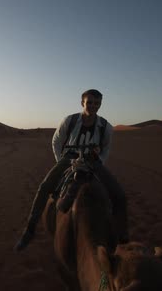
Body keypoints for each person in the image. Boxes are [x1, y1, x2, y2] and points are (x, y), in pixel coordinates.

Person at [14, 89, 129, 252]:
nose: (93, 106)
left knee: (119, 196)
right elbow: (56, 141)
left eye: (97, 103)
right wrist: (62, 161)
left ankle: (123, 239)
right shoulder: (70, 120)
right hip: (69, 158)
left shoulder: (105, 127)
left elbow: (106, 149)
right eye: (90, 102)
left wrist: (98, 162)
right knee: (45, 187)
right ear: (82, 102)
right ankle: (29, 231)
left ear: (101, 104)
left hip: (93, 162)